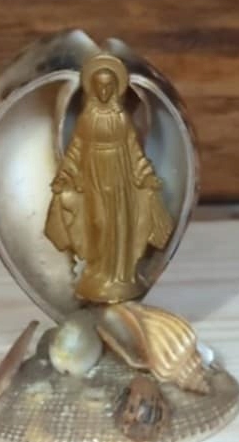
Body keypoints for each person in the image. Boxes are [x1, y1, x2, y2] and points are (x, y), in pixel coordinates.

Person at [44, 52, 174, 303]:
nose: (104, 91)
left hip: (120, 178)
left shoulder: (121, 117)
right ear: (93, 88)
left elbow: (134, 150)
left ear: (115, 88)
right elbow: (76, 149)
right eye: (99, 86)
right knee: (99, 223)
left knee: (120, 224)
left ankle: (120, 276)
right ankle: (98, 274)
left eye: (108, 86)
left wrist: (146, 175)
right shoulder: (87, 118)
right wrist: (65, 174)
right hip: (93, 177)